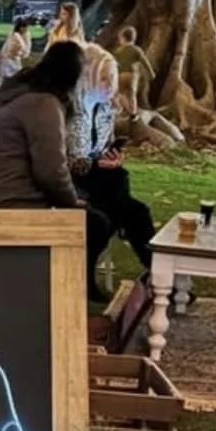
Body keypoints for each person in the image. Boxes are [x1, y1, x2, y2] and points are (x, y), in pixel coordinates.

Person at [0, 40, 113, 301]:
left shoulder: (19, 94)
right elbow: (50, 170)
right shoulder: (43, 104)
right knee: (96, 224)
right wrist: (71, 202)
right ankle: (71, 290)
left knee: (93, 211)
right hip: (8, 201)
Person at [67, 44, 156, 271]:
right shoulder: (69, 110)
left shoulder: (105, 109)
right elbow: (63, 161)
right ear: (87, 78)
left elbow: (104, 146)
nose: (109, 85)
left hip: (97, 180)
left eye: (112, 79)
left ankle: (156, 272)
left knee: (138, 211)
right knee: (109, 215)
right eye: (103, 79)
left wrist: (112, 157)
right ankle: (83, 274)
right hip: (72, 183)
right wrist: (96, 163)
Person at [112, 26, 155, 111]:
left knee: (120, 93)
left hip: (121, 76)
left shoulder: (117, 51)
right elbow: (145, 62)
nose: (119, 40)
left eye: (120, 38)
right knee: (132, 94)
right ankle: (133, 111)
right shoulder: (136, 49)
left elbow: (114, 65)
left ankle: (124, 109)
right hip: (133, 76)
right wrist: (151, 74)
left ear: (123, 38)